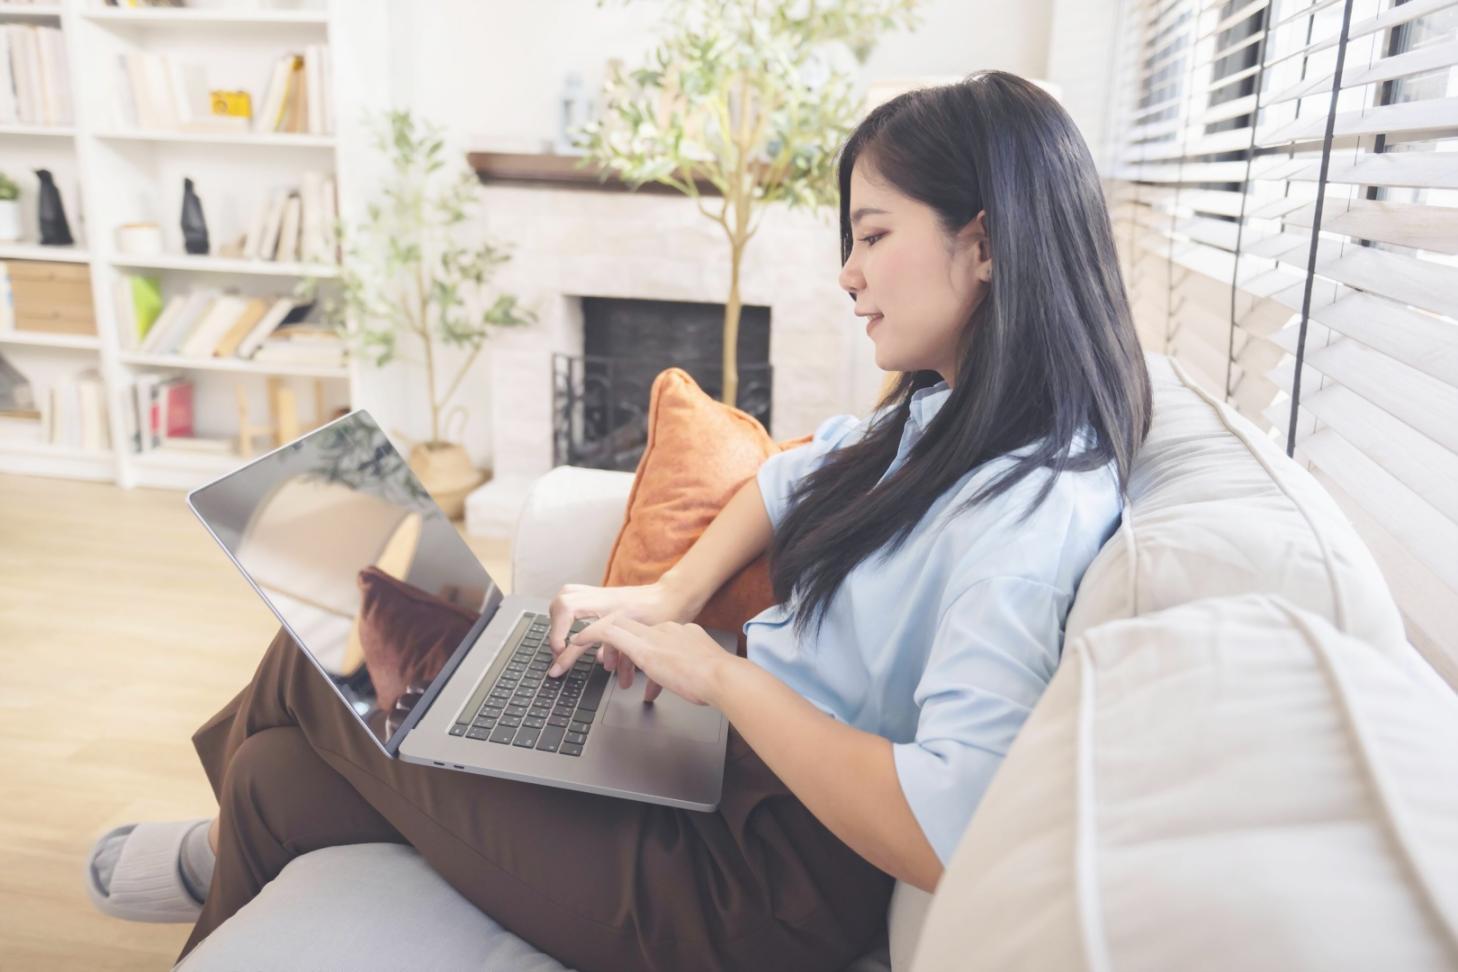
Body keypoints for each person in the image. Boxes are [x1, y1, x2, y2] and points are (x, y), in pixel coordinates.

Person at [85, 70, 1150, 972]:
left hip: (753, 885)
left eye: (873, 235)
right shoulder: (940, 410)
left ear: (990, 244)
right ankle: (228, 839)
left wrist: (717, 671)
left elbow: (942, 827)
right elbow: (780, 487)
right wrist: (667, 595)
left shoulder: (1034, 501)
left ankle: (207, 851)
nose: (849, 273)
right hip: (709, 772)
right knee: (287, 762)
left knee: (323, 645)